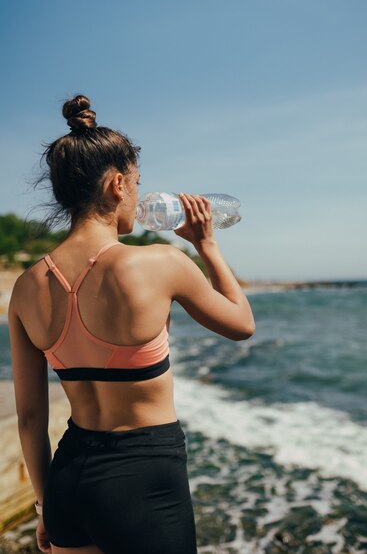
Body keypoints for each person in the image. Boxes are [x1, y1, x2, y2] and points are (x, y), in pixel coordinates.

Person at [7, 94, 256, 554]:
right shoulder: (160, 263)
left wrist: (46, 506)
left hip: (68, 480)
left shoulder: (25, 286)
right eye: (138, 184)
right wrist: (207, 245)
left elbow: (29, 418)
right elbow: (242, 323)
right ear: (117, 184)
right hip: (144, 481)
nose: (139, 197)